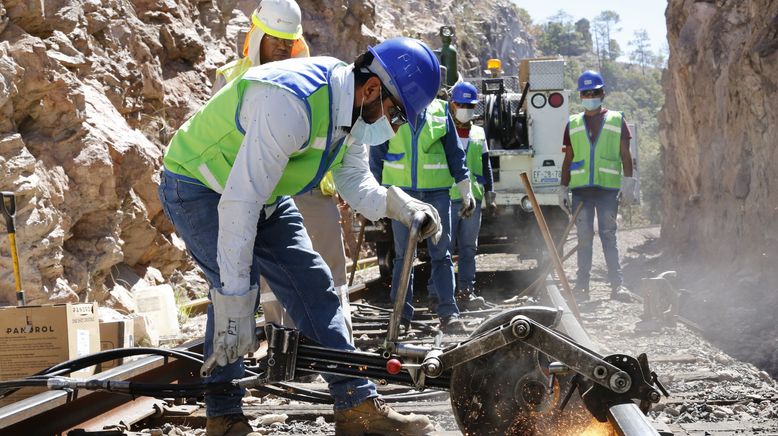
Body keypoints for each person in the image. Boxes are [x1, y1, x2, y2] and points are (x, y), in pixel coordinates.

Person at [159, 37, 442, 436]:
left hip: (263, 192)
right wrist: (238, 297)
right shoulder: (292, 103)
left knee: (315, 286)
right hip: (199, 183)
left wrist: (401, 206)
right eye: (396, 116)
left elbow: (354, 179)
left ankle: (357, 406)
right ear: (373, 89)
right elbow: (239, 202)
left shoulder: (353, 108)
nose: (393, 128)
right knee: (234, 292)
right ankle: (223, 416)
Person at [212, 0, 353, 340]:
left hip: (310, 190)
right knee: (271, 277)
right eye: (273, 39)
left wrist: (341, 183)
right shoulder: (231, 77)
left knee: (330, 269)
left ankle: (339, 348)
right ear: (256, 36)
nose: (280, 48)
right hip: (262, 191)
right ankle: (282, 343)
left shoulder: (312, 78)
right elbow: (218, 138)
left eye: (286, 42)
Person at [370, 86, 476, 335]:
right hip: (401, 195)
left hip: (437, 195)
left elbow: (454, 154)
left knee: (442, 255)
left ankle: (448, 314)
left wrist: (465, 190)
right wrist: (371, 195)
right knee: (403, 257)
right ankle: (401, 315)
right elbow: (377, 153)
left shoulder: (441, 111)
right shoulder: (392, 107)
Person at [558, 70, 636, 303]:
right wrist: (562, 188)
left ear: (602, 93)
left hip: (607, 191)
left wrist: (629, 183)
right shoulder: (572, 124)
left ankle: (617, 286)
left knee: (608, 236)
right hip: (581, 190)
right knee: (584, 239)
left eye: (594, 92)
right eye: (586, 93)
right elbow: (568, 159)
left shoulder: (616, 120)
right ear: (581, 96)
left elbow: (625, 155)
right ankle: (582, 287)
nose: (590, 95)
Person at [446, 82, 495, 309]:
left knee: (468, 249)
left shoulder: (478, 133)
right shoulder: (444, 129)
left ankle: (466, 291)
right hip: (446, 198)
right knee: (443, 250)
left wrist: (490, 192)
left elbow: (485, 168)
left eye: (470, 105)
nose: (465, 108)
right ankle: (440, 293)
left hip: (472, 201)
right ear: (452, 104)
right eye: (461, 104)